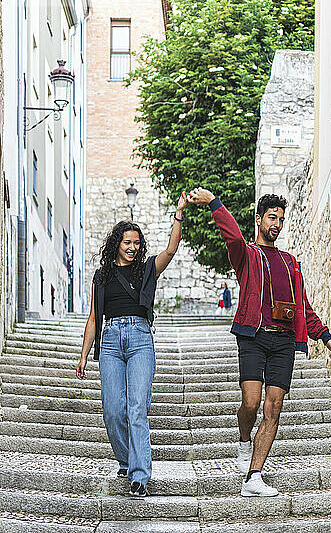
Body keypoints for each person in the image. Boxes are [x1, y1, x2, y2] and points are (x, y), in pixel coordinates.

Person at [188, 188, 331, 498]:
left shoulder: (290, 262)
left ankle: (253, 476)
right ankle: (244, 440)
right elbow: (231, 237)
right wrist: (214, 203)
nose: (277, 223)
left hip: (285, 341)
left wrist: (324, 336)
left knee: (273, 407)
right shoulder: (246, 255)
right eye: (272, 217)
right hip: (253, 336)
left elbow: (303, 307)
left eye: (281, 219)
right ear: (258, 219)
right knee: (250, 402)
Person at [76, 192, 189, 498]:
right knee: (113, 411)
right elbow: (93, 318)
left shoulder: (147, 268)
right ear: (117, 243)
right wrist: (84, 355)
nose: (132, 247)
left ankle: (140, 475)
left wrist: (178, 214)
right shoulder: (101, 277)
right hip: (110, 342)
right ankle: (127, 461)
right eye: (127, 242)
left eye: (136, 243)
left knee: (136, 409)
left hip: (140, 340)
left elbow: (171, 249)